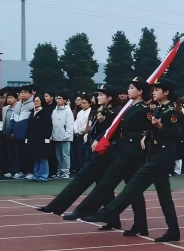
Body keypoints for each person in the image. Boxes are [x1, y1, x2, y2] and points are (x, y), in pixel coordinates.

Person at [83, 78, 184, 242]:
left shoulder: (172, 112)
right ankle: (173, 230)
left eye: (157, 90)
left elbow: (179, 135)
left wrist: (160, 127)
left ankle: (108, 213)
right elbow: (149, 128)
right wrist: (147, 135)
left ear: (166, 93)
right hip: (154, 154)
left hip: (162, 156)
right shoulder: (158, 110)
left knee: (133, 185)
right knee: (164, 195)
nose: (154, 92)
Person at [59, 80, 151, 236]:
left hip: (132, 154)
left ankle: (96, 212)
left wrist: (144, 137)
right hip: (122, 151)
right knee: (132, 190)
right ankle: (138, 224)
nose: (128, 91)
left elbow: (146, 128)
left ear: (140, 91)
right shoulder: (129, 108)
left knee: (116, 185)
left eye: (131, 88)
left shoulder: (142, 109)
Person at [37, 85, 120, 220]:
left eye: (101, 95)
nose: (97, 97)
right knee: (102, 185)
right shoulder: (100, 110)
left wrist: (99, 131)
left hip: (107, 152)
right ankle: (113, 220)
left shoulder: (115, 112)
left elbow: (111, 131)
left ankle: (62, 207)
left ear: (110, 98)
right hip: (97, 149)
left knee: (83, 179)